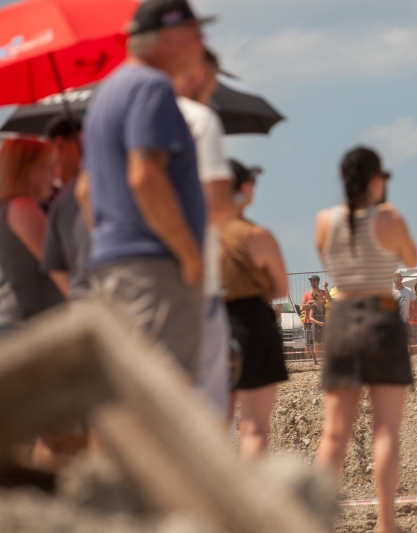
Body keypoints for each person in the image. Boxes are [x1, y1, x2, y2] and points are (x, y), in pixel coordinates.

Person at [80, 0, 211, 376]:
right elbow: (145, 176)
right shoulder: (151, 86)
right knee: (167, 398)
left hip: (114, 262)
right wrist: (189, 255)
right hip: (155, 265)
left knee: (130, 397)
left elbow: (85, 191)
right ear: (168, 37)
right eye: (196, 33)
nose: (202, 42)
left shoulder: (107, 91)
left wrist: (114, 240)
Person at [314, 146, 417, 533]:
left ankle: (314, 521)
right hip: (381, 316)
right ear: (377, 179)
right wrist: (385, 207)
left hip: (341, 317)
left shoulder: (325, 220)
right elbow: (410, 257)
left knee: (334, 431)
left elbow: (329, 263)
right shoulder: (389, 218)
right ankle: (386, 524)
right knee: (385, 429)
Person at [173, 46, 235, 417]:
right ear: (199, 75)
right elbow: (218, 206)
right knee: (207, 412)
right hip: (196, 281)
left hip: (134, 278)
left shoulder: (115, 115)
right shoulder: (199, 119)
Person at [219, 159, 288, 458]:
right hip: (251, 324)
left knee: (213, 427)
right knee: (254, 429)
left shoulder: (194, 233)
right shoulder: (254, 235)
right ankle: (250, 504)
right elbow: (281, 288)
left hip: (209, 323)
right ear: (242, 189)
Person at [0, 138, 67, 333]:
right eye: (48, 166)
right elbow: (58, 267)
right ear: (27, 171)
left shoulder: (6, 209)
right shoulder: (21, 207)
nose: (54, 174)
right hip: (31, 328)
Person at [41, 118, 92, 301]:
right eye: (82, 140)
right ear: (60, 145)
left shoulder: (60, 199)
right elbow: (53, 264)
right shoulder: (55, 200)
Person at [302, 275, 329, 360]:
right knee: (308, 344)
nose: (312, 282)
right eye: (311, 281)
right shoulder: (306, 293)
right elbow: (302, 306)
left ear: (318, 282)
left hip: (319, 322)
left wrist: (310, 302)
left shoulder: (322, 292)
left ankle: (318, 362)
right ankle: (306, 363)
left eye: (313, 281)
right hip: (308, 321)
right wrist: (315, 303)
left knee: (318, 343)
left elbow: (323, 301)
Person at [392, 273, 415, 348]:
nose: (397, 280)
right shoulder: (390, 291)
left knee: (411, 341)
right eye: (395, 279)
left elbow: (416, 304)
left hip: (405, 320)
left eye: (398, 279)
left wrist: (412, 316)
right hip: (394, 321)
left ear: (401, 280)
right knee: (395, 341)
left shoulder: (408, 290)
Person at [307, 290, 326, 362]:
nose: (322, 297)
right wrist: (318, 322)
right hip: (315, 326)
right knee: (317, 344)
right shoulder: (314, 306)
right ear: (316, 297)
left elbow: (324, 318)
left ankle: (320, 360)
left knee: (321, 344)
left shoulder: (324, 307)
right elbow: (310, 317)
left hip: (322, 326)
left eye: (322, 295)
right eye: (320, 296)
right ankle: (316, 361)